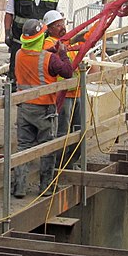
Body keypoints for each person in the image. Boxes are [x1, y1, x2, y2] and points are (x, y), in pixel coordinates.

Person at [12, 18, 74, 198]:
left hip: (25, 108)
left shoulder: (18, 55)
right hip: (45, 109)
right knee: (47, 148)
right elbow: (67, 72)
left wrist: (51, 52)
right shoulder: (50, 59)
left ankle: (20, 188)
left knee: (23, 147)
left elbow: (34, 57)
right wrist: (62, 54)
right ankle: (46, 187)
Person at [4, 0, 60, 90]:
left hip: (44, 42)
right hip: (21, 41)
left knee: (43, 68)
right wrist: (7, 33)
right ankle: (13, 92)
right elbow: (9, 14)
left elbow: (58, 17)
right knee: (16, 69)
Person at [42, 10, 86, 170]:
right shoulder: (48, 43)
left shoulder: (66, 42)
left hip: (77, 92)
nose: (62, 27)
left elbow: (68, 48)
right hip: (62, 95)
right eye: (57, 25)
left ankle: (70, 163)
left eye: (62, 23)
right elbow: (56, 50)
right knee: (62, 132)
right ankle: (59, 166)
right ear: (50, 28)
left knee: (79, 130)